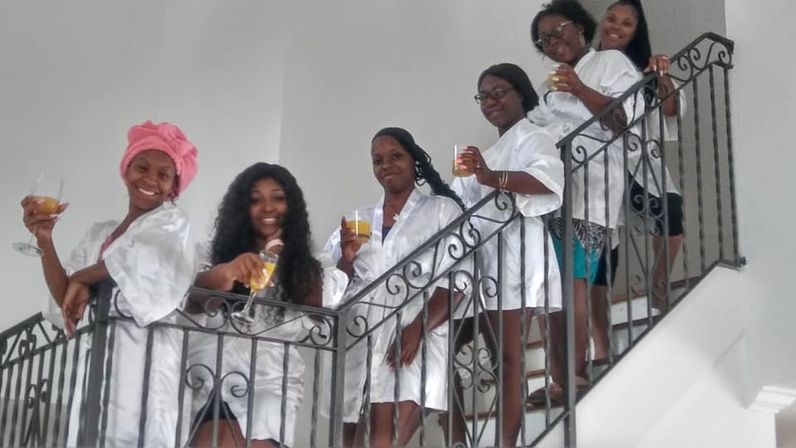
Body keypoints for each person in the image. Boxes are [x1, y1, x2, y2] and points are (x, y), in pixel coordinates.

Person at [23, 120, 198, 446]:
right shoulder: (98, 234)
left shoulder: (172, 224)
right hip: (99, 362)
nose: (150, 180)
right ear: (125, 171)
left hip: (146, 361)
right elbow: (65, 298)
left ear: (174, 187)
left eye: (163, 175)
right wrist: (45, 240)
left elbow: (143, 257)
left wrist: (84, 277)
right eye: (141, 167)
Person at [527, 0, 644, 403]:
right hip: (549, 197)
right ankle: (558, 377)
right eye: (543, 39)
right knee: (547, 290)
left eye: (556, 31)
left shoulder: (611, 64)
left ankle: (575, 374)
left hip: (590, 193)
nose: (551, 41)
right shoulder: (547, 90)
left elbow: (623, 120)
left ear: (579, 27)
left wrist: (579, 88)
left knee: (572, 284)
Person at [445, 63, 564, 446]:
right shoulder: (488, 152)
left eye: (500, 92)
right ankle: (459, 439)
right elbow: (456, 207)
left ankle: (506, 442)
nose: (491, 101)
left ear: (521, 94)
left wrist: (489, 177)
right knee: (443, 348)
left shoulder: (534, 137)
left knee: (510, 357)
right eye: (484, 95)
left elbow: (546, 183)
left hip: (515, 257)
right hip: (477, 264)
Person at [324, 127, 466, 448]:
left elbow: (457, 280)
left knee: (383, 440)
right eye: (377, 160)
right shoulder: (357, 218)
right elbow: (331, 283)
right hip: (359, 338)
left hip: (414, 335)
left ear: (414, 160)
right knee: (351, 442)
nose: (385, 165)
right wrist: (346, 260)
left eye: (395, 156)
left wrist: (417, 327)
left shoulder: (442, 211)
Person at [189, 162, 346, 447]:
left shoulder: (312, 263)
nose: (267, 207)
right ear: (242, 208)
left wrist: (280, 253)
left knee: (261, 431)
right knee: (218, 439)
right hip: (212, 374)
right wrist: (227, 271)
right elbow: (191, 297)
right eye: (255, 199)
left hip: (271, 380)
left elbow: (321, 301)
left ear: (291, 206)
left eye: (278, 198)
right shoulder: (212, 252)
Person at [590, 1, 687, 361]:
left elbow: (671, 110)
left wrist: (661, 76)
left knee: (670, 213)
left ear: (636, 31)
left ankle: (659, 287)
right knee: (602, 261)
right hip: (596, 172)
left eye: (627, 23)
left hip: (637, 163)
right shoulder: (583, 68)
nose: (616, 26)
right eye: (611, 19)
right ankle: (601, 347)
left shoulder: (644, 69)